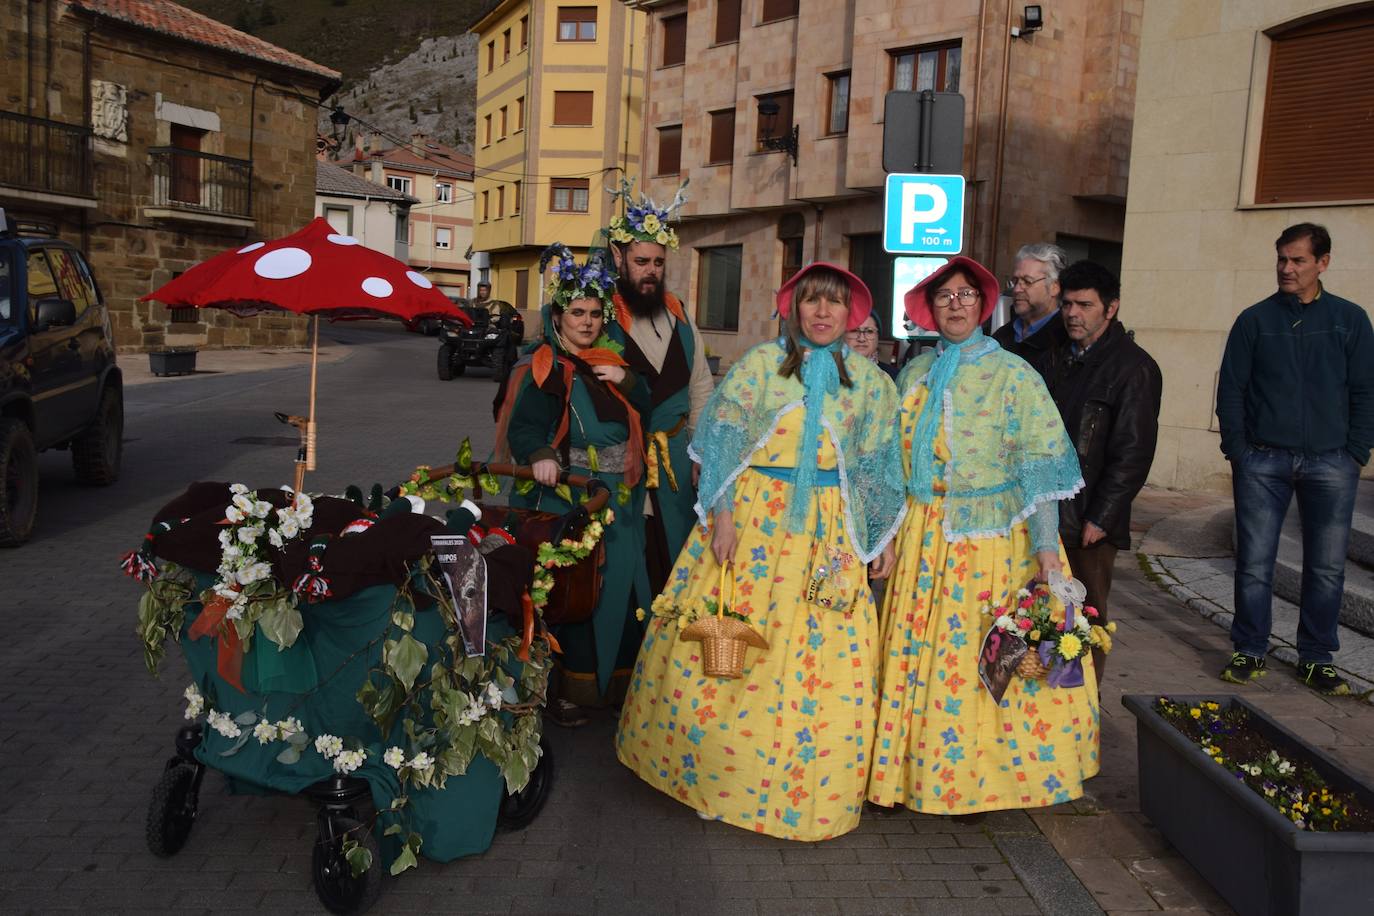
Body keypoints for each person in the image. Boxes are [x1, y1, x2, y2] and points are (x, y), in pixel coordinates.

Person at [616, 263, 906, 840]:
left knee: (819, 660)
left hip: (830, 533)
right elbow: (720, 440)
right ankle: (716, 779)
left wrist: (884, 537)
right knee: (734, 643)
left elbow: (878, 467)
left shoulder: (872, 384)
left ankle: (811, 787)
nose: (822, 313)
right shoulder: (759, 366)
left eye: (834, 304)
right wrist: (722, 515)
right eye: (811, 302)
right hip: (753, 522)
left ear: (852, 315)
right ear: (794, 309)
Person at [867, 255, 1097, 815]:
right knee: (922, 657)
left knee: (986, 657)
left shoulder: (1015, 374)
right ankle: (914, 772)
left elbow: (1040, 467)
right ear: (929, 307)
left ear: (984, 305)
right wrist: (888, 536)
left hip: (994, 539)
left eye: (967, 295)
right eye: (945, 296)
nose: (955, 304)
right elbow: (891, 466)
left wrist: (1046, 550)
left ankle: (983, 781)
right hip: (924, 536)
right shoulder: (914, 375)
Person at [495, 244, 652, 724]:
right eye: (577, 313)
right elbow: (523, 427)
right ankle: (562, 691)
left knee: (620, 593)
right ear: (559, 316)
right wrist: (541, 456)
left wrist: (624, 379)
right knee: (572, 592)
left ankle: (616, 688)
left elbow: (646, 400)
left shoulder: (613, 358)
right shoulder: (544, 366)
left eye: (594, 313)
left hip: (619, 497)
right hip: (570, 496)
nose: (586, 322)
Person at [1216, 223, 1374, 696]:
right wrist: (1239, 452)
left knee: (1326, 567)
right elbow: (1231, 391)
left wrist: (1354, 454)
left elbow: (1366, 392)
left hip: (1332, 463)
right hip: (1262, 462)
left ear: (1322, 263)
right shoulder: (1254, 320)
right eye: (1282, 258)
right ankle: (1250, 649)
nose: (1287, 268)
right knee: (1255, 563)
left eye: (1298, 260)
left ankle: (1316, 657)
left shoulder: (1350, 319)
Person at [1037, 260, 1161, 684]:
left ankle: (1084, 703)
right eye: (1068, 303)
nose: (1073, 313)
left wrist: (1102, 516)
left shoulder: (1133, 368)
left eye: (1085, 305)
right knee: (1035, 609)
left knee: (1085, 618)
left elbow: (1133, 453)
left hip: (1087, 518)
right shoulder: (1049, 351)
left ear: (1111, 309)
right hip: (1040, 507)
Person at [604, 181, 714, 597]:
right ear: (619, 258)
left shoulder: (679, 314)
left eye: (658, 262)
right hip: (624, 464)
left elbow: (701, 387)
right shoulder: (600, 316)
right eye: (641, 261)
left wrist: (701, 452)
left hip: (676, 467)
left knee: (675, 560)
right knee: (627, 566)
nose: (651, 271)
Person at [992, 242, 1069, 362]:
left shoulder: (1066, 342)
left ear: (1054, 287)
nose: (1017, 289)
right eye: (1015, 281)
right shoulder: (1000, 338)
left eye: (1027, 281)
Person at [845, 311, 899, 380]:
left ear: (878, 337)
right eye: (854, 331)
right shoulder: (831, 372)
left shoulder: (893, 376)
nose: (861, 339)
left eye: (869, 331)